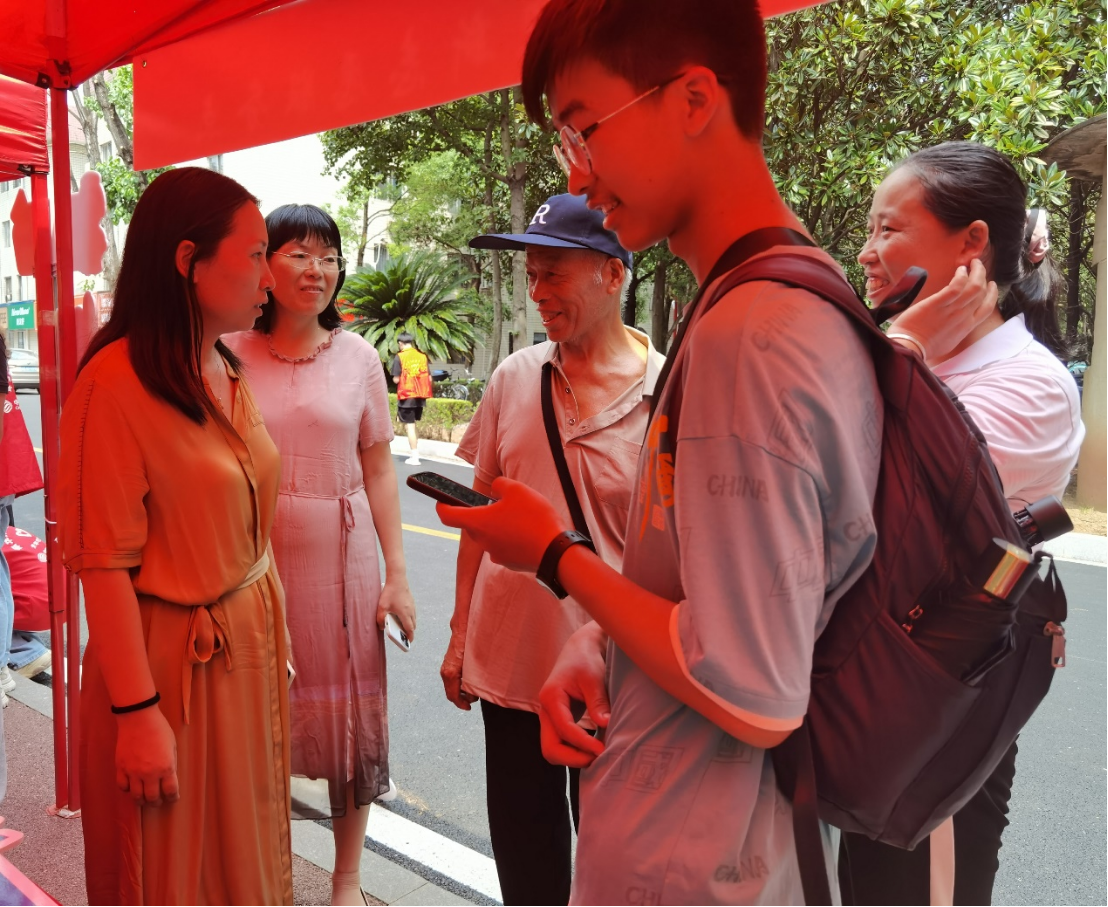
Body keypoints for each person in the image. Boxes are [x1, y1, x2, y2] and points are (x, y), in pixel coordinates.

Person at [438, 2, 885, 903]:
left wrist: (556, 556)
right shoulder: (780, 293)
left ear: (692, 98)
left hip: (690, 859)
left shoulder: (750, 338)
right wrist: (603, 638)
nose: (578, 171)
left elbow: (752, 687)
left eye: (584, 128)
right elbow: (730, 591)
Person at [840, 143, 1084, 907]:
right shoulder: (919, 361)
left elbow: (865, 496)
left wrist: (903, 346)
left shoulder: (1031, 384)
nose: (866, 252)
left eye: (888, 229)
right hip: (865, 701)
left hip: (937, 716)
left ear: (971, 243)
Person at [58, 167, 294, 905]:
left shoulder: (222, 365)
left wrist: (273, 640)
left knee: (247, 859)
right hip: (165, 678)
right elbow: (103, 566)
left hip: (243, 662)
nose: (271, 276)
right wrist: (136, 716)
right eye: (254, 255)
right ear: (188, 260)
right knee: (169, 874)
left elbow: (251, 531)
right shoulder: (112, 385)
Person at [442, 193, 662, 906]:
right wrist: (459, 634)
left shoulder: (667, 394)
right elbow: (480, 516)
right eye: (531, 274)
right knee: (526, 864)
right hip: (509, 667)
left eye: (554, 274)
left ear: (613, 274)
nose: (537, 292)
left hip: (613, 678)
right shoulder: (515, 377)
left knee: (613, 868)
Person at [225, 203, 415, 907]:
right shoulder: (229, 352)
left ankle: (346, 881)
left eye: (329, 257)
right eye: (300, 254)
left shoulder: (359, 357)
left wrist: (397, 576)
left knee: (347, 729)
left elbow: (378, 469)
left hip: (344, 563)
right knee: (257, 718)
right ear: (265, 266)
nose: (318, 270)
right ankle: (266, 872)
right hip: (253, 561)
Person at [4, 527, 52, 681]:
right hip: (59, 599)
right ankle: (30, 647)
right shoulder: (5, 526)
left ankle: (24, 654)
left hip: (34, 604)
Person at [390, 333, 432, 465]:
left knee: (410, 427)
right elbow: (429, 378)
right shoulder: (422, 356)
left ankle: (415, 456)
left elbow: (396, 379)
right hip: (420, 395)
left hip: (407, 395)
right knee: (412, 425)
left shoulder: (400, 356)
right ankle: (415, 452)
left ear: (400, 343)